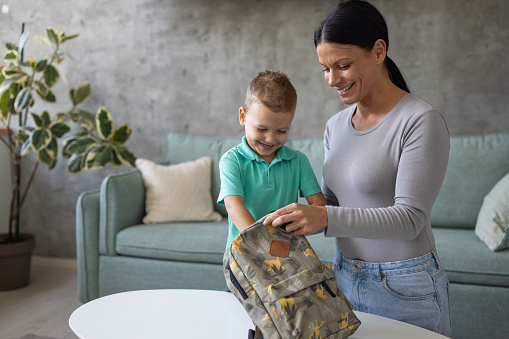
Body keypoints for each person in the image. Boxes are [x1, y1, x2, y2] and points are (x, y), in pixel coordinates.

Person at [263, 1, 452, 337]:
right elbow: (332, 206)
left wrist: (324, 218)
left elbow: (410, 219)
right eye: (324, 68)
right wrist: (293, 214)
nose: (332, 79)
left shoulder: (420, 121)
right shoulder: (335, 126)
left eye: (343, 65)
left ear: (378, 51)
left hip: (405, 286)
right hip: (344, 275)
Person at [217, 70, 327, 251]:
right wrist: (264, 244)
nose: (270, 139)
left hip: (288, 254)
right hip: (245, 253)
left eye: (282, 131)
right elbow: (234, 206)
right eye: (261, 128)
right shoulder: (232, 161)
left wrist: (299, 219)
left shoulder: (298, 161)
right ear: (243, 116)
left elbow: (319, 206)